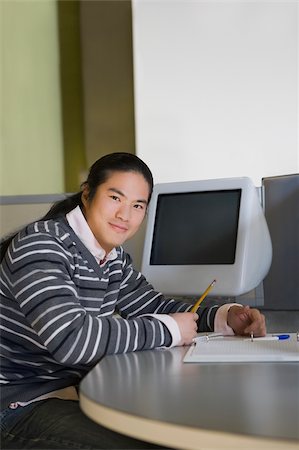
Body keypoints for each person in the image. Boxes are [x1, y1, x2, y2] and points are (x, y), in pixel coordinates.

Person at [0, 152, 266, 449]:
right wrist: (168, 330)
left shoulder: (112, 258)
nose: (125, 215)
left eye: (137, 205)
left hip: (69, 393)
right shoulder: (42, 245)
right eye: (115, 198)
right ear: (87, 193)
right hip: (17, 404)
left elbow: (154, 307)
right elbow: (71, 339)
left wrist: (223, 317)